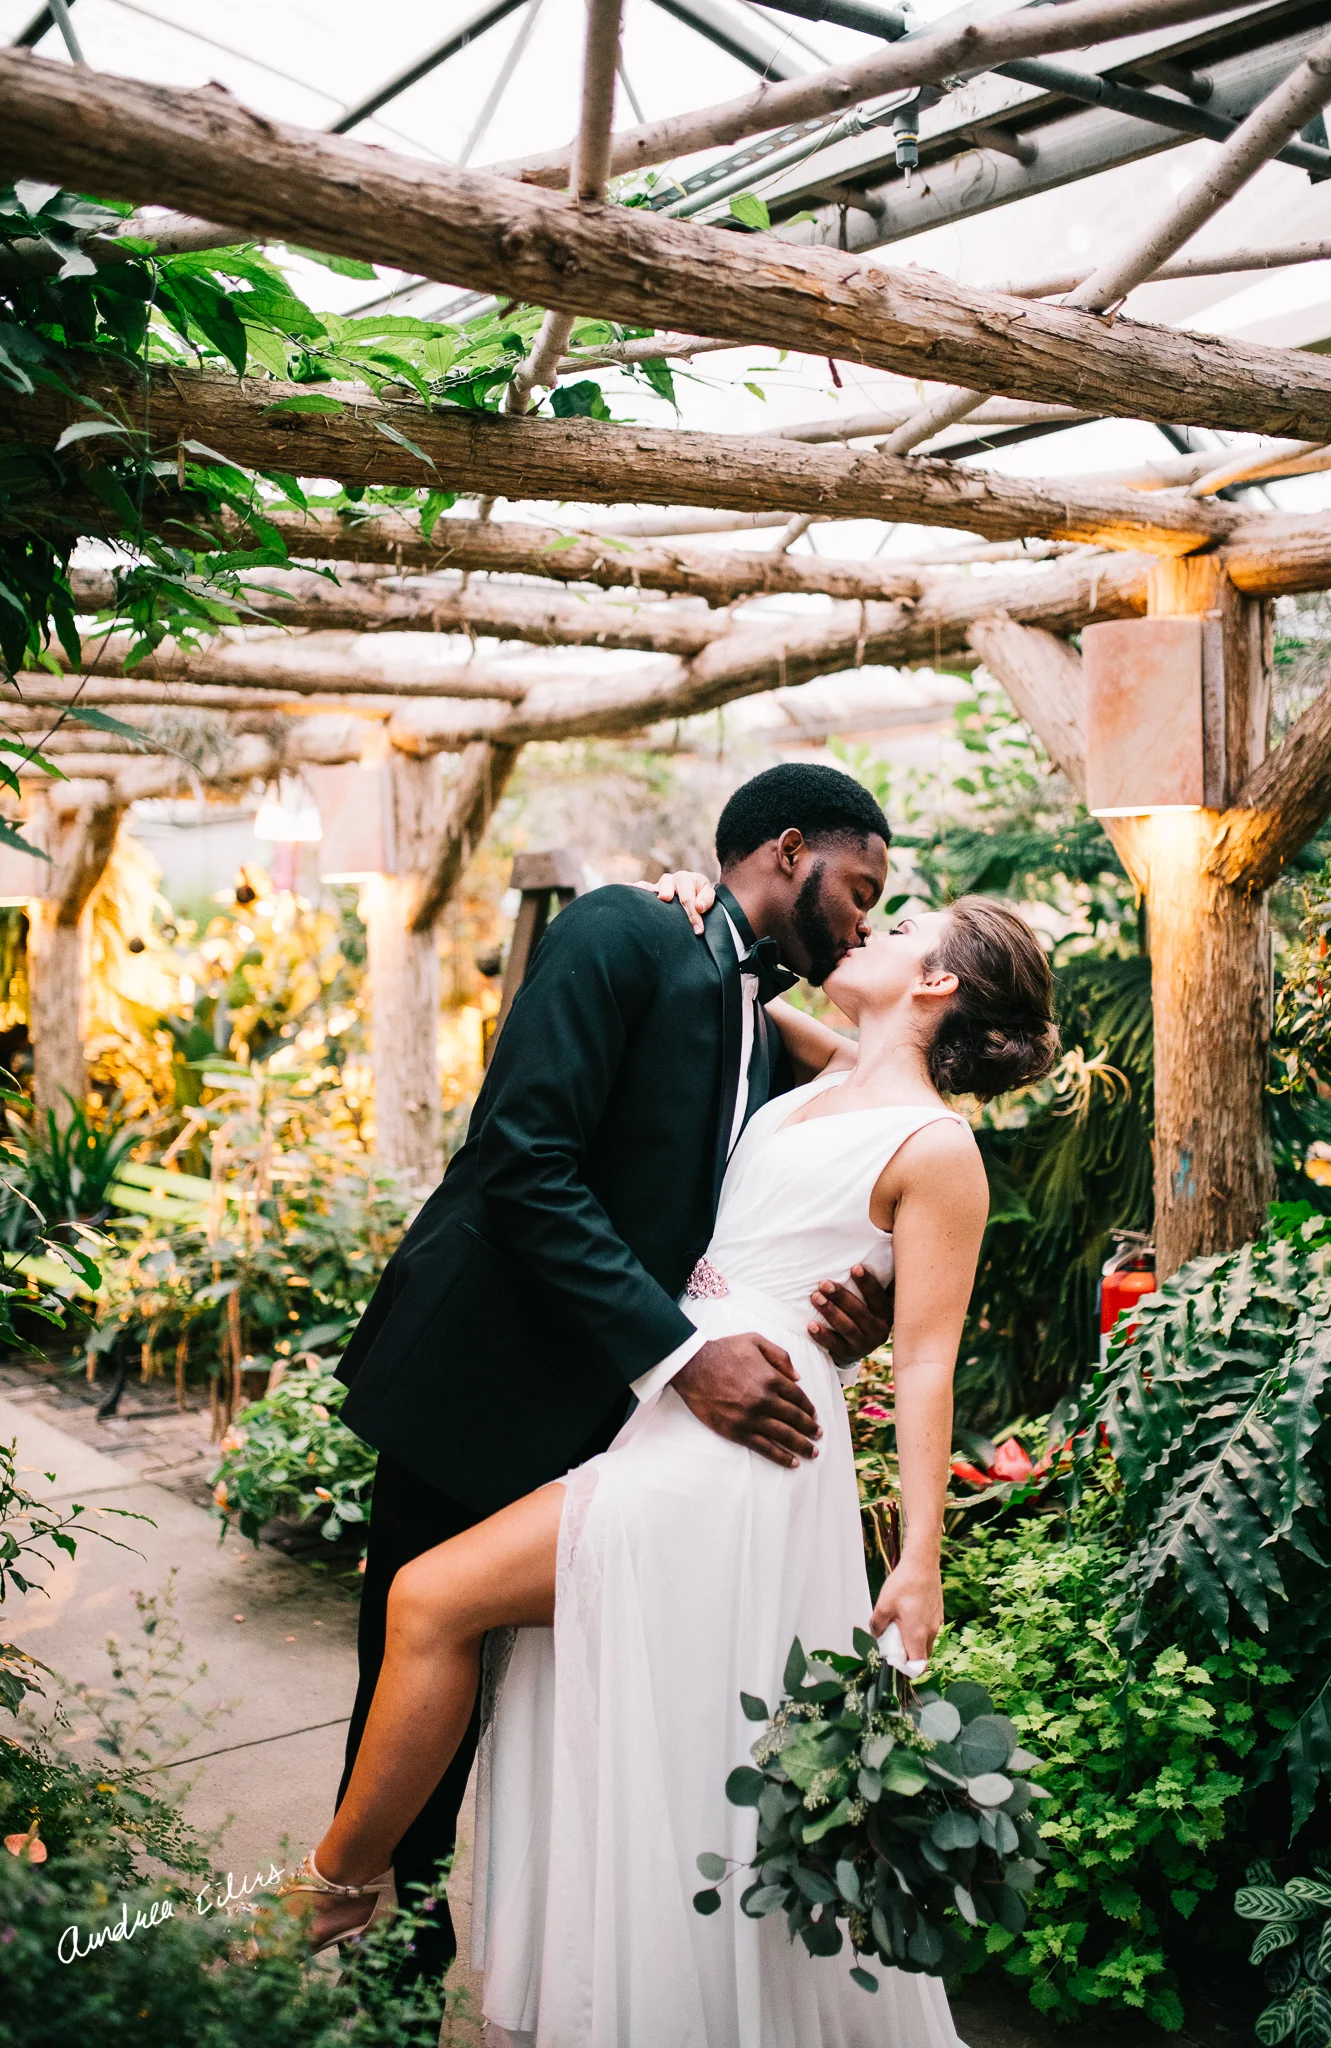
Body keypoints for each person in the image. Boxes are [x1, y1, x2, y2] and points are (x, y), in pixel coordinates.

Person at [275, 885, 1059, 2048]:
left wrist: (920, 1559)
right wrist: (686, 898)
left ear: (937, 982)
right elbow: (724, 979)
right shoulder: (830, 1070)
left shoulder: (940, 1147)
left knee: (430, 1598)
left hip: (745, 1444)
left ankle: (333, 1886)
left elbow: (927, 1358)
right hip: (675, 1406)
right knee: (662, 1730)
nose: (868, 929)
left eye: (900, 927)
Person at [326, 763, 900, 1975]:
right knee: (412, 1665)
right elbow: (523, 1160)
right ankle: (377, 1959)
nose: (863, 921)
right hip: (483, 1375)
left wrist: (855, 1304)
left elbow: (838, 1136)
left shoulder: (758, 1017)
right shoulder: (620, 932)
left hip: (606, 1416)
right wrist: (682, 1355)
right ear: (788, 847)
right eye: (860, 888)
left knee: (526, 1699)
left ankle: (460, 1949)